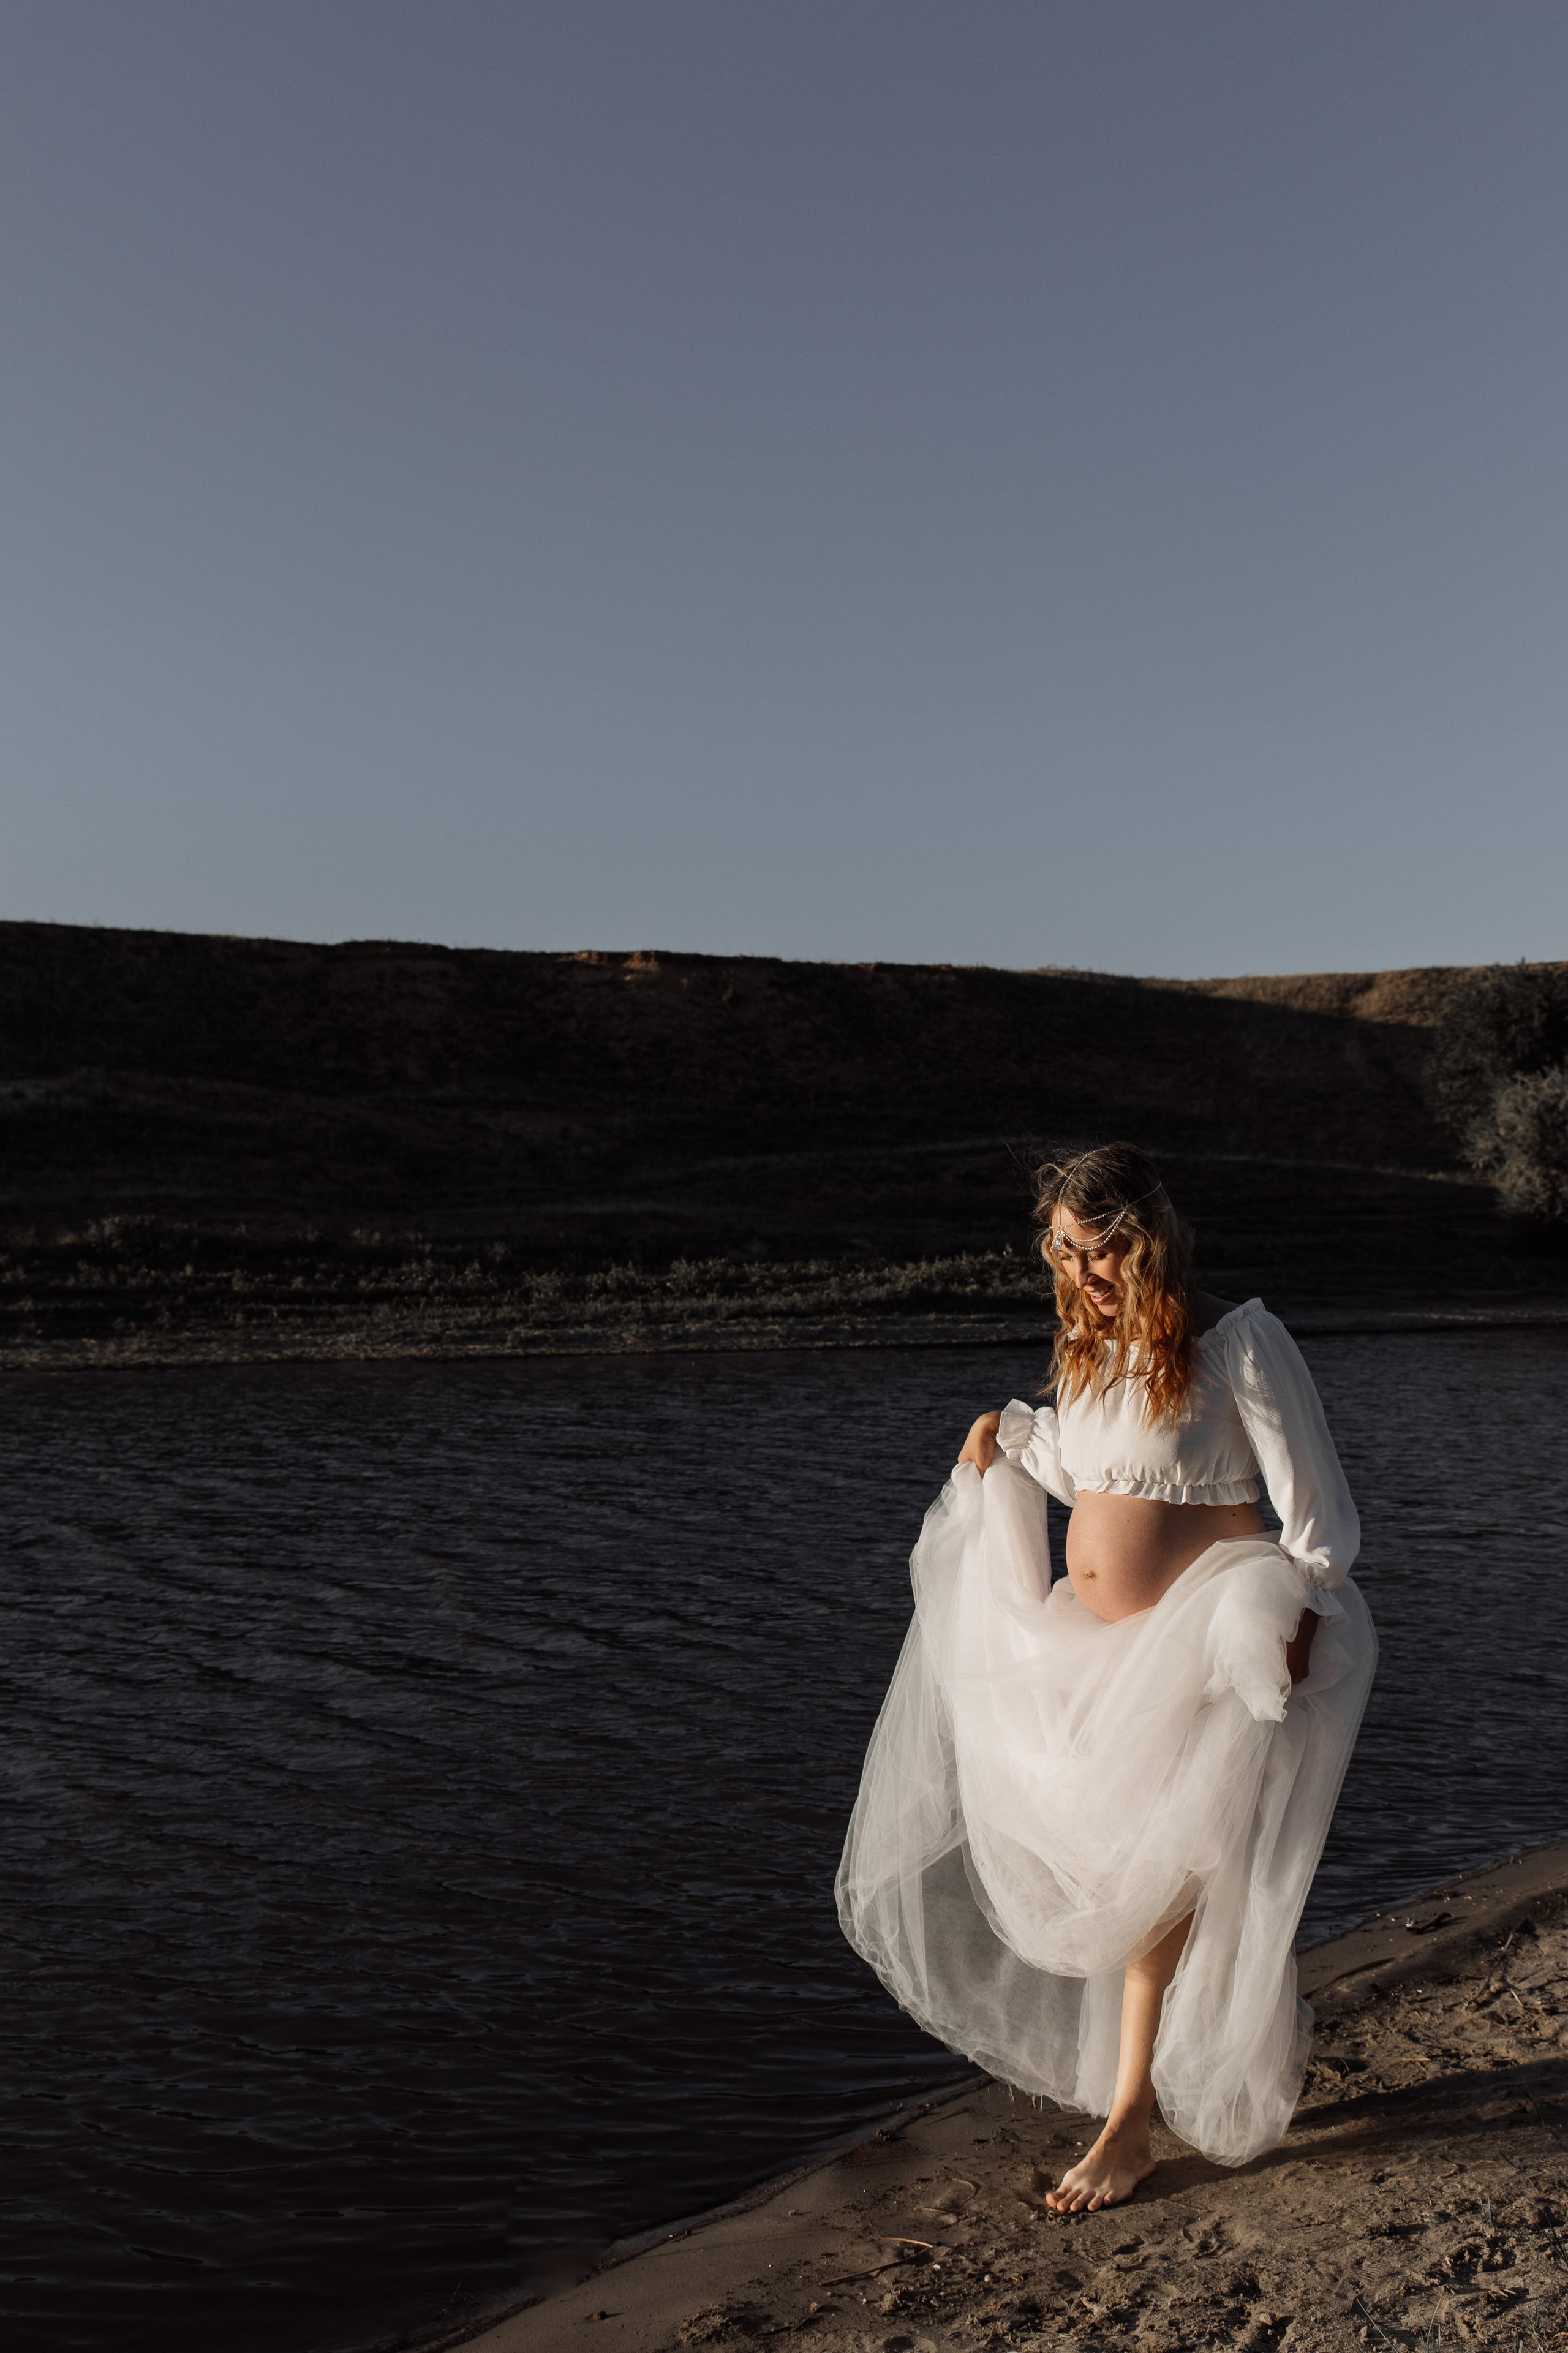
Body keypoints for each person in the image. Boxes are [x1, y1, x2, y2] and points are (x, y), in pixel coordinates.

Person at [835, 1143, 1376, 2212]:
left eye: (1103, 1249)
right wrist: (1005, 1440)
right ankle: (1258, 2025)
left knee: (1159, 1885)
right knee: (1125, 1875)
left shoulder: (1237, 1341)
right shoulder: (1089, 1348)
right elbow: (1089, 1474)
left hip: (1206, 1641)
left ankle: (1128, 2125)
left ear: (1150, 1237)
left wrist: (1301, 1613)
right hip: (1098, 1654)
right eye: (1066, 1252)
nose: (1083, 1272)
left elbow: (1313, 1504)